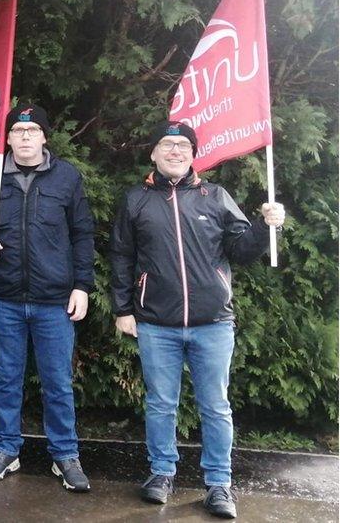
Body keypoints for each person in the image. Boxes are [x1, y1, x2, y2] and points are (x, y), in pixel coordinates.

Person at [110, 121, 286, 519]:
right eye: (167, 144)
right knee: (160, 405)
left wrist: (264, 225)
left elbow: (242, 252)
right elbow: (120, 257)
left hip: (213, 324)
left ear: (193, 154)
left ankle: (219, 485)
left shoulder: (216, 196)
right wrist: (123, 309)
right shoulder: (135, 200)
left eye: (184, 145)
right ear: (153, 153)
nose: (176, 151)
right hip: (156, 323)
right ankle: (160, 474)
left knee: (215, 407)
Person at [0, 103, 94, 491]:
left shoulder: (66, 177)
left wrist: (82, 285)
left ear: (45, 137)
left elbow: (83, 234)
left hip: (54, 301)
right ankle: (5, 449)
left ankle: (65, 454)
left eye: (33, 131)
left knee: (58, 383)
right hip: (5, 297)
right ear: (9, 138)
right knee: (6, 379)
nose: (26, 137)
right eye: (18, 131)